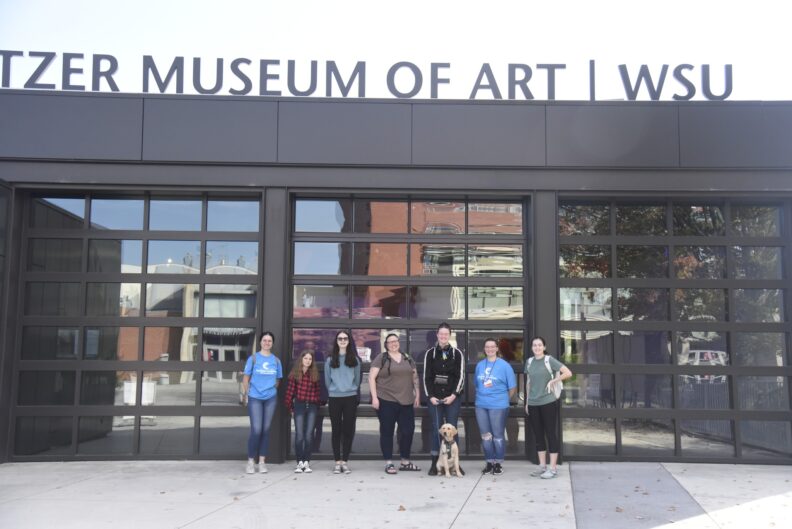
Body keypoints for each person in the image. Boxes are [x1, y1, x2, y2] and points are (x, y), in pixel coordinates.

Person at [369, 333, 421, 474]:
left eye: (395, 341)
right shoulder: (381, 358)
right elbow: (371, 377)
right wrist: (374, 398)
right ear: (386, 345)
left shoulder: (407, 358)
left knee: (408, 431)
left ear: (399, 342)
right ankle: (389, 463)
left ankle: (405, 461)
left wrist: (417, 393)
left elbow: (414, 376)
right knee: (387, 432)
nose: (393, 344)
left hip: (407, 401)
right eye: (390, 342)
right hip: (386, 400)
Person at [524, 336, 573, 479]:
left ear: (544, 347)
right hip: (533, 403)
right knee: (538, 436)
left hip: (548, 402)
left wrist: (554, 380)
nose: (537, 347)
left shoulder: (549, 360)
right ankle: (542, 466)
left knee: (551, 434)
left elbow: (568, 372)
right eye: (534, 345)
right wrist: (527, 402)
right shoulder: (529, 362)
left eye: (540, 345)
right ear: (532, 347)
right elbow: (528, 383)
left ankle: (553, 468)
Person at [423, 322, 465, 475]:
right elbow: (426, 377)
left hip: (452, 398)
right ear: (437, 335)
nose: (443, 336)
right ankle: (435, 463)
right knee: (436, 430)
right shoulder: (430, 353)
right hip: (435, 398)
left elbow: (461, 376)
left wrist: (454, 395)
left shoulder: (457, 353)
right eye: (441, 334)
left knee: (452, 429)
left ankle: (456, 465)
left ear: (450, 335)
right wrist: (431, 396)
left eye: (446, 334)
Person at [242, 331, 283, 474]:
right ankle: (250, 461)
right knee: (256, 429)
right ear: (260, 342)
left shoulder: (276, 361)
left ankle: (262, 462)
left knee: (266, 430)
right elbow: (246, 379)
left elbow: (278, 380)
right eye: (264, 340)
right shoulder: (253, 359)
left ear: (272, 343)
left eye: (269, 341)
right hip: (255, 398)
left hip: (270, 398)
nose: (267, 343)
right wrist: (248, 394)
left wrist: (269, 390)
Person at [474, 338, 516, 475]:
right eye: (487, 347)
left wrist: (503, 400)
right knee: (486, 436)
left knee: (497, 435)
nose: (490, 349)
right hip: (481, 405)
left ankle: (498, 463)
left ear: (497, 349)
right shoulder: (480, 365)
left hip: (498, 405)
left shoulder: (505, 366)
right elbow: (477, 384)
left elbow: (512, 388)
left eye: (493, 347)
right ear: (484, 349)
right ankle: (489, 462)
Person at [324, 330, 361, 474]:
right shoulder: (330, 360)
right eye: (340, 338)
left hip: (350, 397)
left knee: (347, 430)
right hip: (334, 398)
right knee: (336, 430)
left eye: (345, 338)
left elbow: (357, 380)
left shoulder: (355, 360)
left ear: (349, 341)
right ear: (336, 341)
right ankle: (337, 462)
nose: (343, 340)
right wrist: (334, 390)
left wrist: (350, 389)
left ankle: (345, 462)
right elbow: (327, 381)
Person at [284, 351, 321, 474]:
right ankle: (299, 462)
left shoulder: (314, 374)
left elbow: (318, 392)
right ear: (301, 359)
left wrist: (316, 403)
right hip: (299, 405)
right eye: (305, 358)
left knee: (309, 435)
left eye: (310, 359)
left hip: (311, 406)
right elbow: (289, 393)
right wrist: (291, 408)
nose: (308, 361)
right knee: (299, 435)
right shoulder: (295, 374)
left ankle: (307, 461)